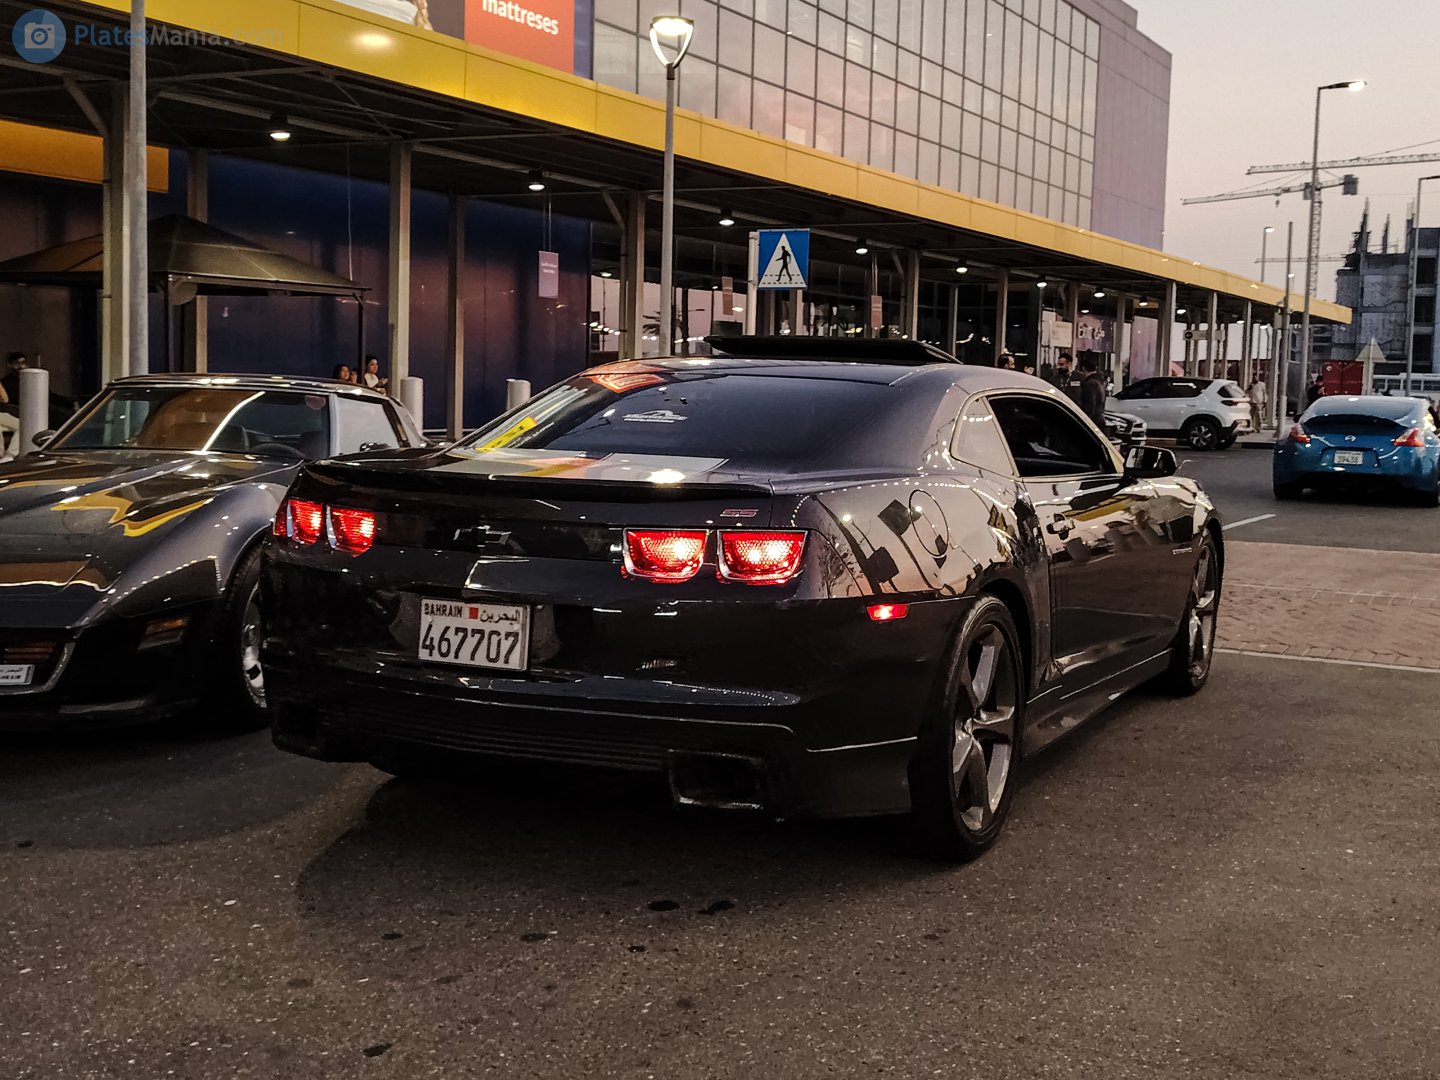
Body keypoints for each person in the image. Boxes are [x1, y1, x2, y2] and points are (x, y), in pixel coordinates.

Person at [0, 352, 28, 454]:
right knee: (25, 426)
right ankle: (10, 454)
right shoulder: (8, 381)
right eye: (17, 363)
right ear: (10, 365)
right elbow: (5, 399)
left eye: (23, 363)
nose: (20, 366)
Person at [1076, 355, 1107, 427]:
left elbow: (1090, 405)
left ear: (1083, 368)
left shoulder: (1090, 384)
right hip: (1099, 418)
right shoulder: (1100, 381)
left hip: (1093, 422)